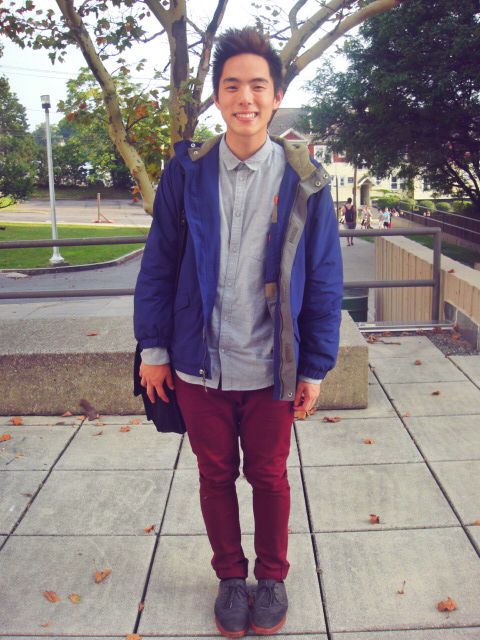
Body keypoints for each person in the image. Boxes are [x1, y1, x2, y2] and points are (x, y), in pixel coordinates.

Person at [134, 27, 343, 639]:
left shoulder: (306, 181)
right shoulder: (187, 173)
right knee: (214, 474)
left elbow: (324, 279)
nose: (244, 98)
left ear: (276, 96)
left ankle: (272, 577)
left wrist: (314, 367)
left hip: (271, 367)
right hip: (198, 364)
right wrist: (153, 348)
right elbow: (158, 264)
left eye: (257, 85)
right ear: (218, 96)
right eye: (232, 86)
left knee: (270, 477)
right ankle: (230, 577)